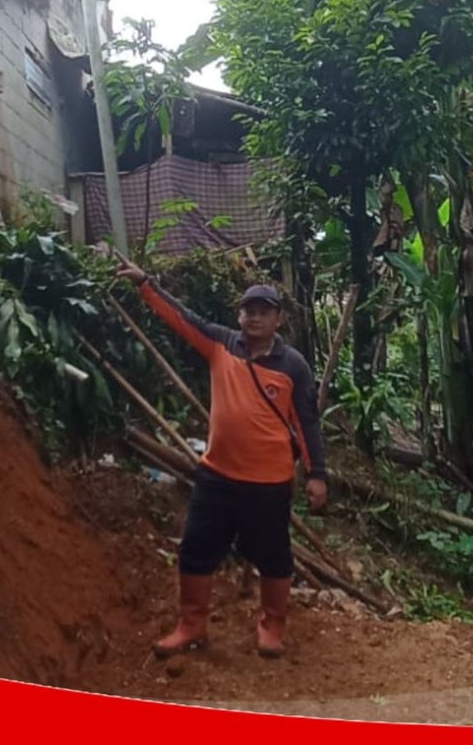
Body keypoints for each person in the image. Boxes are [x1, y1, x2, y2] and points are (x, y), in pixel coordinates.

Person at [116, 255, 326, 659]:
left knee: (274, 556)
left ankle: (271, 626)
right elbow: (181, 318)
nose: (255, 318)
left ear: (278, 319)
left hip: (269, 483)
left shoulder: (293, 366)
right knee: (196, 548)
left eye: (264, 312)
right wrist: (145, 283)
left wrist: (317, 473)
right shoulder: (220, 344)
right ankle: (191, 624)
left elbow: (307, 422)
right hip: (217, 476)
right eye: (249, 311)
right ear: (239, 315)